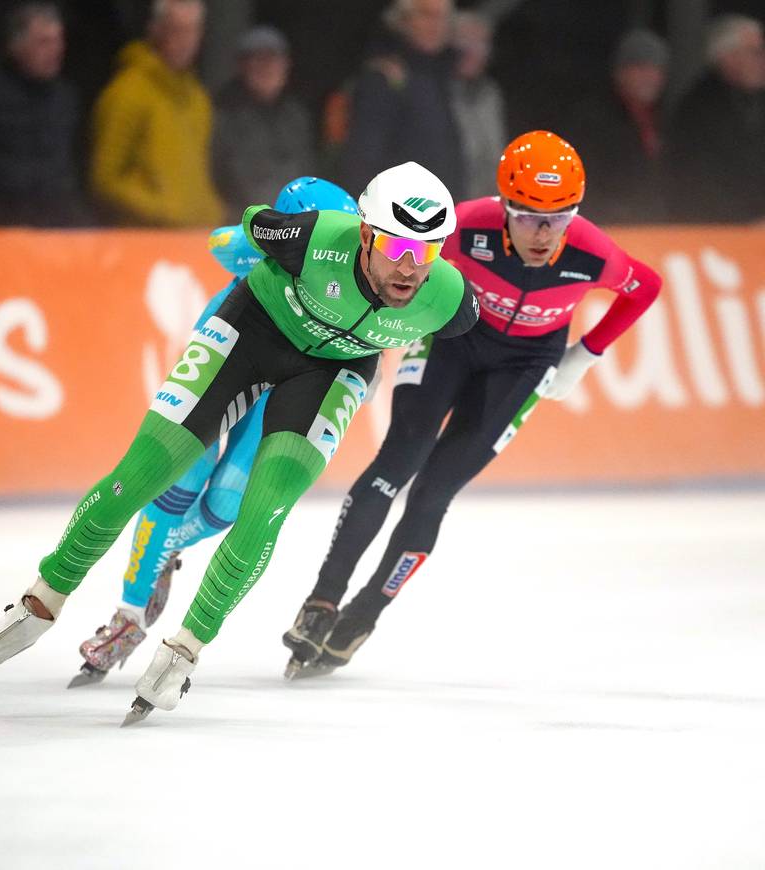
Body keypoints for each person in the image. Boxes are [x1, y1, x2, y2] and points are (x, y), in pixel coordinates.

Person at [0, 160, 480, 725]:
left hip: (330, 374)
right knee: (144, 473)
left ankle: (183, 651)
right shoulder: (312, 236)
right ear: (366, 233)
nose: (411, 268)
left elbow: (469, 342)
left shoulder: (448, 300)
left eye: (429, 251)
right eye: (398, 248)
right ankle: (37, 605)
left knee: (261, 509)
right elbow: (250, 223)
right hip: (255, 332)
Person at [281, 130, 662, 679]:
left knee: (435, 492)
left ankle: (366, 611)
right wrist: (369, 330)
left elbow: (644, 286)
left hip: (525, 365)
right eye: (528, 215)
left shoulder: (592, 251)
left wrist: (587, 353)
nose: (543, 233)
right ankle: (321, 601)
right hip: (452, 341)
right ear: (504, 205)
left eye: (559, 218)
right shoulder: (467, 224)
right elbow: (394, 257)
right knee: (398, 462)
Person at [68, 176, 359, 687]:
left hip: (284, 386)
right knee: (173, 484)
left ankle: (166, 549)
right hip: (230, 364)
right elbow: (222, 241)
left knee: (227, 504)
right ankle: (129, 618)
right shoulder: (257, 247)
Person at [90, 0, 222, 227]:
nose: (185, 41)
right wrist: (164, 210)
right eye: (177, 30)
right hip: (142, 239)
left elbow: (198, 173)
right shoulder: (127, 92)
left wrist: (212, 213)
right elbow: (105, 178)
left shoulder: (198, 99)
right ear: (156, 30)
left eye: (192, 30)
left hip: (191, 239)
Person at [0, 2, 89, 226]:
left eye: (58, 40)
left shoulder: (66, 97)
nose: (56, 49)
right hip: (5, 224)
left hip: (61, 223)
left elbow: (73, 166)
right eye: (44, 42)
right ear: (16, 45)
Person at [338, 0, 464, 201]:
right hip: (400, 215)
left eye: (443, 17)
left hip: (442, 212)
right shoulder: (385, 76)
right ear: (403, 20)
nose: (436, 25)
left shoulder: (444, 75)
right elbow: (362, 159)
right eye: (426, 15)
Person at [210, 25, 316, 224]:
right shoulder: (223, 114)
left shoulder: (296, 116)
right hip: (240, 226)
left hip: (291, 226)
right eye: (258, 60)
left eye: (273, 59)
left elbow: (307, 171)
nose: (266, 68)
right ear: (243, 66)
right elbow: (216, 175)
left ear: (286, 65)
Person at [666, 14, 765, 223]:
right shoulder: (696, 111)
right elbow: (695, 184)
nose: (762, 60)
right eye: (755, 52)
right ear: (727, 57)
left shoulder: (756, 102)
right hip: (719, 234)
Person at [564, 28, 670, 224]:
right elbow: (586, 180)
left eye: (656, 69)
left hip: (654, 229)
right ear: (621, 72)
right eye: (641, 69)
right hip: (612, 227)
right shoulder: (594, 118)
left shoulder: (661, 118)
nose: (650, 77)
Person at [450, 9, 507, 199]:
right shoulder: (436, 93)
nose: (473, 51)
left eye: (481, 44)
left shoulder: (490, 94)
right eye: (465, 41)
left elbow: (495, 159)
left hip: (484, 205)